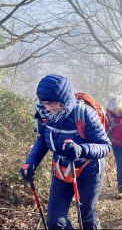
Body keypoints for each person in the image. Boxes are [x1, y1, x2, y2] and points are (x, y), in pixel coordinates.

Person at [20, 74, 111, 229]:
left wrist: (81, 149)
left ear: (65, 101)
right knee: (55, 222)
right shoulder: (43, 115)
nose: (47, 107)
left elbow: (105, 146)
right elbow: (42, 141)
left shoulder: (85, 113)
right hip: (61, 170)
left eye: (53, 104)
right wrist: (30, 164)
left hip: (89, 170)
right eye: (44, 103)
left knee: (87, 219)